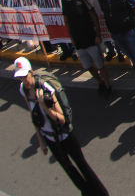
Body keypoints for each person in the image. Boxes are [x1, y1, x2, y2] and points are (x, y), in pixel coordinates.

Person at [13, 57, 109, 196]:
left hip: (65, 135)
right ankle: (87, 193)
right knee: (68, 169)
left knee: (82, 166)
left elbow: (62, 119)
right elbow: (32, 115)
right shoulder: (24, 90)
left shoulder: (45, 87)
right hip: (50, 138)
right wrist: (41, 141)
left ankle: (102, 193)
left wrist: (44, 106)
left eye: (25, 76)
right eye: (20, 78)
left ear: (31, 72)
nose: (24, 81)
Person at [60, 0, 112, 98]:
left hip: (90, 39)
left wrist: (98, 35)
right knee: (88, 66)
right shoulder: (64, 0)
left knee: (100, 65)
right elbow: (66, 20)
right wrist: (71, 38)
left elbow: (94, 16)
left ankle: (108, 86)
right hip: (78, 43)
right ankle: (100, 82)